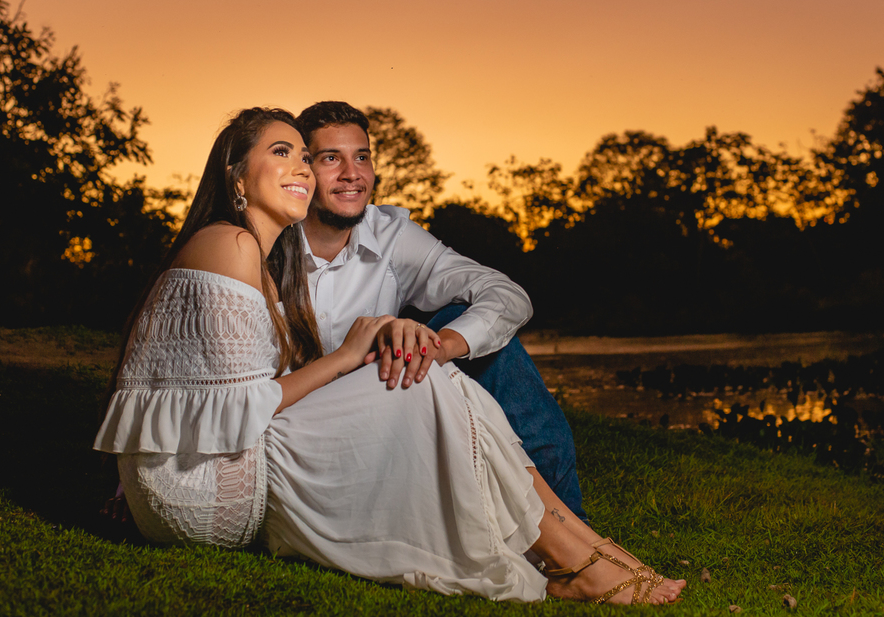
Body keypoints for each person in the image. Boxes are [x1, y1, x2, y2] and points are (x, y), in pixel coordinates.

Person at [93, 108, 685, 605]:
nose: (334, 172)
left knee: (438, 363)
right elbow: (218, 392)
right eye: (312, 157)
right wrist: (354, 353)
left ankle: (577, 547)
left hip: (267, 438)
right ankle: (578, 556)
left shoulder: (338, 241)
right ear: (237, 176)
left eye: (354, 158)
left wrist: (438, 343)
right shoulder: (244, 245)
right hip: (235, 471)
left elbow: (196, 386)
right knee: (425, 380)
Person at [295, 101, 585, 520]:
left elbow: (506, 294)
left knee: (467, 331)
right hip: (299, 420)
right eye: (330, 159)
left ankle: (571, 525)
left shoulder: (389, 235)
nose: (352, 173)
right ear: (303, 169)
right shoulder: (267, 242)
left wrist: (442, 346)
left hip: (382, 406)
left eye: (361, 157)